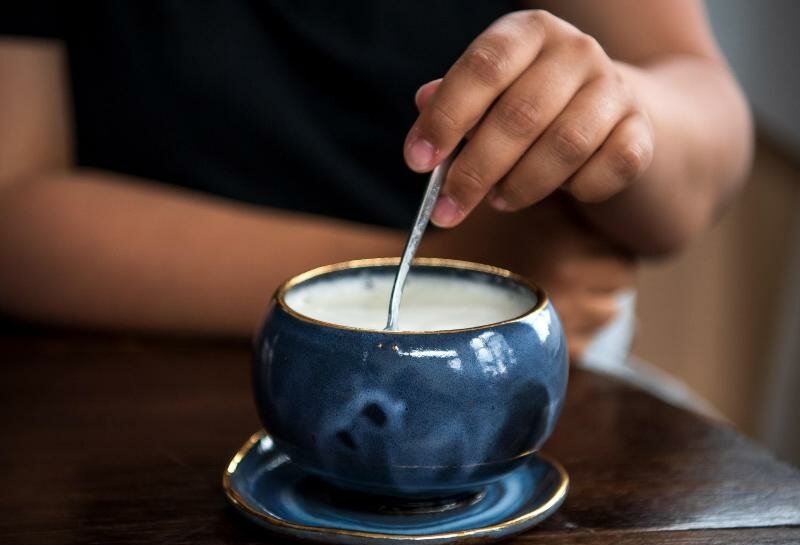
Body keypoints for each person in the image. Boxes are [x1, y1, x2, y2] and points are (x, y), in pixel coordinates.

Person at [0, 2, 751, 364]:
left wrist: (620, 110)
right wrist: (434, 276)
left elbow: (710, 121)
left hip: (538, 381)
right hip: (121, 370)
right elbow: (13, 209)